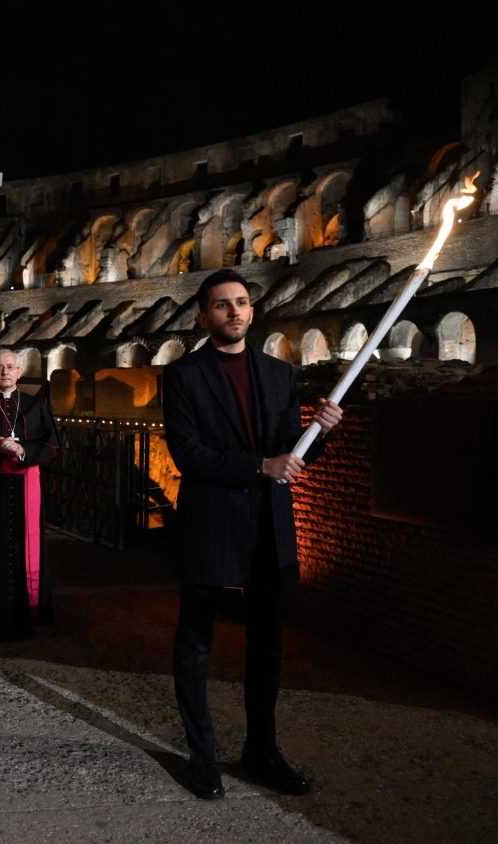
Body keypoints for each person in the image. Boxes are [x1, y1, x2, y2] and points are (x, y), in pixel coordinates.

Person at [162, 268, 343, 800]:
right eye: (222, 305)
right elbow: (189, 456)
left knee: (267, 644)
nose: (234, 312)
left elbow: (292, 449)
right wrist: (260, 466)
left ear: (252, 311)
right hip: (212, 521)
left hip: (268, 525)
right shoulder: (184, 377)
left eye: (241, 303)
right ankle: (202, 755)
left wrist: (321, 432)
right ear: (203, 316)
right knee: (196, 640)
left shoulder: (279, 374)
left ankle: (260, 750)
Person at [0, 348, 60, 641]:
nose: (5, 372)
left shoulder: (35, 405)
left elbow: (52, 445)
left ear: (19, 371)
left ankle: (30, 611)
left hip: (26, 484)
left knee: (26, 546)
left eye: (10, 366)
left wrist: (24, 450)